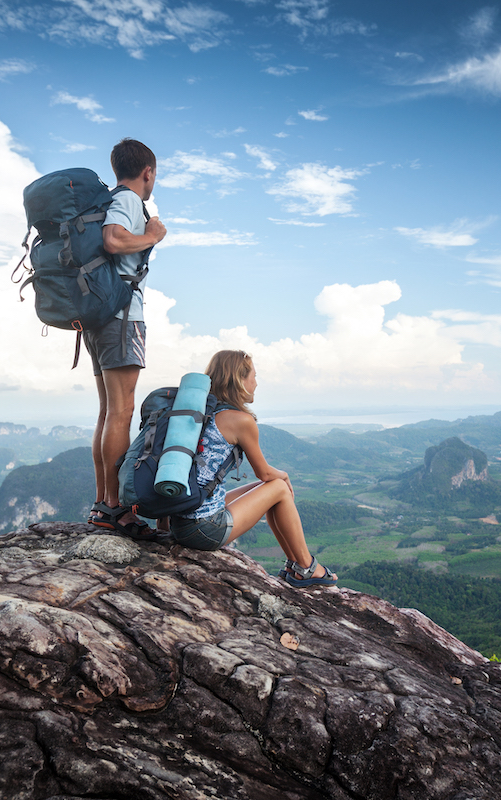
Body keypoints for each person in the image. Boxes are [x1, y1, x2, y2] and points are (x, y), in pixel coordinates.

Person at [170, 350, 338, 588]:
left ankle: (294, 564)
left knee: (268, 489)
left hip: (180, 521)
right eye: (253, 377)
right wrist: (285, 475)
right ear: (239, 380)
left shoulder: (200, 413)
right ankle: (306, 567)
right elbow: (265, 473)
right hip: (203, 529)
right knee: (277, 486)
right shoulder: (240, 420)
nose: (256, 384)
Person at [88, 138, 167, 537]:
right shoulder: (129, 202)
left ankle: (104, 503)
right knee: (120, 411)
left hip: (100, 316)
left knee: (108, 412)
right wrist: (153, 235)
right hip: (121, 317)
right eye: (154, 175)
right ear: (147, 172)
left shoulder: (108, 199)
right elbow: (114, 240)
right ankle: (114, 507)